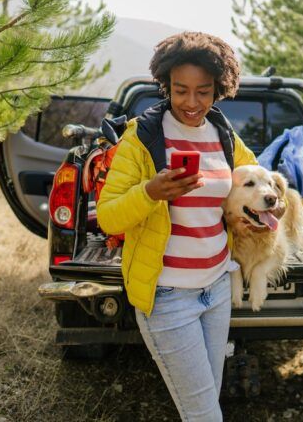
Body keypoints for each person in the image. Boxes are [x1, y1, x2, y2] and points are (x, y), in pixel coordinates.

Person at [98, 32, 257, 421]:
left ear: (219, 89)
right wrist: (151, 192)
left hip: (217, 289)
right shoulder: (143, 137)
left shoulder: (224, 136)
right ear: (165, 85)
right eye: (180, 90)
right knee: (203, 414)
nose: (191, 102)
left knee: (205, 404)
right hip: (168, 297)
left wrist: (273, 208)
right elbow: (108, 216)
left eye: (203, 92)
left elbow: (255, 180)